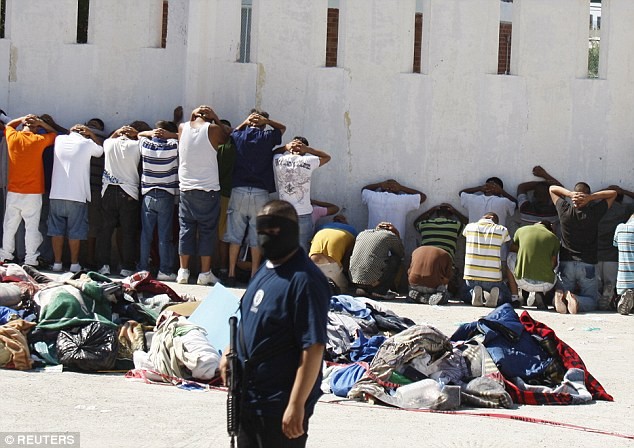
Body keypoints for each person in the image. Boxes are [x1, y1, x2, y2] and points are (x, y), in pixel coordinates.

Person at [219, 199, 329, 448]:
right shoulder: (265, 270)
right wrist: (230, 351)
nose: (267, 237)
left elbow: (313, 348)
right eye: (262, 231)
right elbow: (247, 318)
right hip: (249, 399)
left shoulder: (305, 280)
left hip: (279, 405)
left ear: (291, 231)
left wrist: (296, 404)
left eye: (274, 231)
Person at [223, 109, 286, 286]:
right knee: (256, 236)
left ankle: (231, 273)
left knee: (235, 234)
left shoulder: (240, 135)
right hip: (260, 191)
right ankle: (253, 275)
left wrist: (246, 121)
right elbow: (282, 128)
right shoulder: (267, 137)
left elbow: (232, 132)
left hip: (239, 189)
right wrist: (267, 120)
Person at [177, 105, 229, 285]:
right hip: (208, 189)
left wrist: (191, 117)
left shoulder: (182, 128)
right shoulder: (213, 129)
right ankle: (204, 273)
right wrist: (216, 117)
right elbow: (227, 137)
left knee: (186, 229)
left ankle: (183, 271)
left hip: (186, 188)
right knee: (207, 231)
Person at [549, 183, 617, 314]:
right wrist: (590, 198)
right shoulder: (593, 213)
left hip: (566, 262)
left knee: (561, 293)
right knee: (592, 300)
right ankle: (576, 300)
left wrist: (569, 195)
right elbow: (613, 193)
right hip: (588, 264)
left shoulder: (565, 210)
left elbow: (552, 189)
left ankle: (561, 297)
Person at [0, 115, 57, 266]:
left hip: (14, 189)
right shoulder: (38, 140)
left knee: (9, 225)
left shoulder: (13, 136)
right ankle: (31, 259)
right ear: (36, 129)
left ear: (23, 126)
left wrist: (23, 118)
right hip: (33, 191)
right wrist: (41, 123)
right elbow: (54, 134)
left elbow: (9, 125)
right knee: (31, 227)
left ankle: (5, 255)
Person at [48, 124, 104, 272]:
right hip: (77, 195)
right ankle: (74, 264)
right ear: (84, 134)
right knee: (75, 231)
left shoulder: (59, 139)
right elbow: (100, 151)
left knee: (56, 230)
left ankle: (57, 263)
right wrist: (91, 134)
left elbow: (60, 132)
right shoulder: (87, 143)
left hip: (56, 193)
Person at [96, 124, 143, 277]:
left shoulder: (108, 143)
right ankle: (127, 267)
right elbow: (145, 139)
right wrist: (137, 133)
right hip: (128, 192)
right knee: (128, 232)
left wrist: (117, 131)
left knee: (105, 231)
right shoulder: (137, 145)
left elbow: (110, 138)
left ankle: (104, 266)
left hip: (108, 190)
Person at [137, 121, 180, 281]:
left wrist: (152, 133)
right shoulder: (174, 145)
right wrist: (170, 135)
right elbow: (184, 136)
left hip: (148, 194)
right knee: (164, 236)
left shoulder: (146, 145)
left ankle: (143, 268)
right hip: (166, 194)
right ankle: (165, 270)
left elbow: (139, 134)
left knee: (146, 234)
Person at [273, 136, 331, 251]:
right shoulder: (309, 160)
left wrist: (286, 147)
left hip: (284, 213)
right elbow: (327, 157)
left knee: (283, 249)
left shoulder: (278, 159)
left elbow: (272, 153)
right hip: (303, 213)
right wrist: (308, 150)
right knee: (303, 250)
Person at [596, 185, 634, 310]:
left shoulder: (597, 208)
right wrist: (623, 191)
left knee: (596, 286)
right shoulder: (623, 210)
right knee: (610, 283)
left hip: (595, 255)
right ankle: (610, 295)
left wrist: (603, 191)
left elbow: (585, 198)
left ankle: (598, 301)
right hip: (612, 256)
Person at [462, 212, 512, 307]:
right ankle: (496, 297)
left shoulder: (469, 227)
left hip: (471, 278)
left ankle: (474, 293)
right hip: (493, 278)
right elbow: (507, 240)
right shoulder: (502, 229)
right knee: (507, 297)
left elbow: (464, 234)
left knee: (463, 294)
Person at [507, 221, 560, 310]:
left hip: (523, 281)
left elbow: (513, 249)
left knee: (510, 256)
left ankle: (515, 298)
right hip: (546, 285)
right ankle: (540, 293)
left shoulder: (521, 230)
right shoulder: (554, 238)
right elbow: (553, 264)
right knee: (556, 262)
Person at [349, 222, 404, 299]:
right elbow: (400, 253)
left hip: (354, 278)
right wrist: (397, 234)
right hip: (371, 280)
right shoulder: (389, 235)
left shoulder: (362, 233)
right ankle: (379, 291)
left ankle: (362, 288)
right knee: (395, 259)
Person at [309, 214, 357, 292]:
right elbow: (351, 254)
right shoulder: (352, 230)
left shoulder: (321, 228)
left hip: (312, 264)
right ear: (345, 222)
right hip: (330, 265)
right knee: (343, 288)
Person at [613, 212, 634, 315]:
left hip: (623, 279)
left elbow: (615, 243)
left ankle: (625, 297)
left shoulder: (620, 228)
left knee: (624, 292)